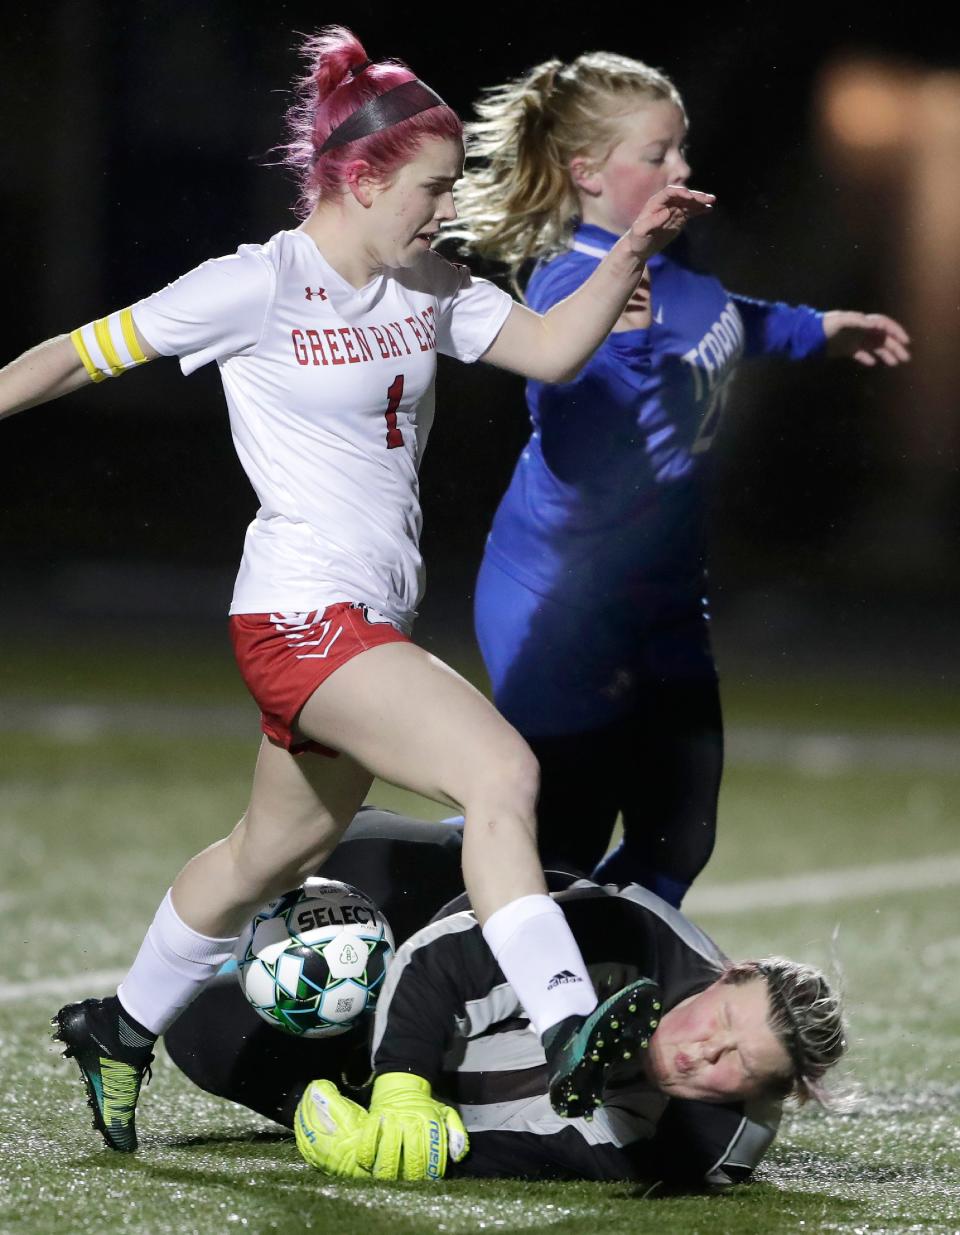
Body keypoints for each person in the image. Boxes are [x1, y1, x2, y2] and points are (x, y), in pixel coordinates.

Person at [0, 29, 715, 1152]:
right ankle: (574, 1023)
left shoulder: (426, 281)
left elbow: (549, 351)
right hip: (298, 614)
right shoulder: (255, 283)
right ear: (362, 177)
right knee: (501, 772)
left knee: (267, 853)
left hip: (361, 620)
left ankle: (121, 1023)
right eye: (431, 188)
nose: (444, 209)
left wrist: (631, 246)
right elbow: (77, 353)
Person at [451, 52, 911, 905]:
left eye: (682, 148)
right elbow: (575, 444)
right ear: (586, 172)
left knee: (677, 833)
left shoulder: (674, 265)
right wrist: (616, 342)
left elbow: (725, 319)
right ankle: (454, 961)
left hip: (659, 597)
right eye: (657, 154)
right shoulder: (578, 283)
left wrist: (821, 330)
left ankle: (593, 989)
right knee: (560, 847)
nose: (683, 170)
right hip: (565, 606)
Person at [164, 807, 846, 1188]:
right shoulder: (641, 936)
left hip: (451, 1051)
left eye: (737, 1064)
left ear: (767, 1093)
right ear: (729, 972)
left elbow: (530, 1150)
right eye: (721, 1019)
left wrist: (397, 1139)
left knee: (197, 1028)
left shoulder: (701, 1145)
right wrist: (406, 1082)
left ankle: (314, 1089)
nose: (702, 1050)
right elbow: (443, 954)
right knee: (355, 854)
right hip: (446, 909)